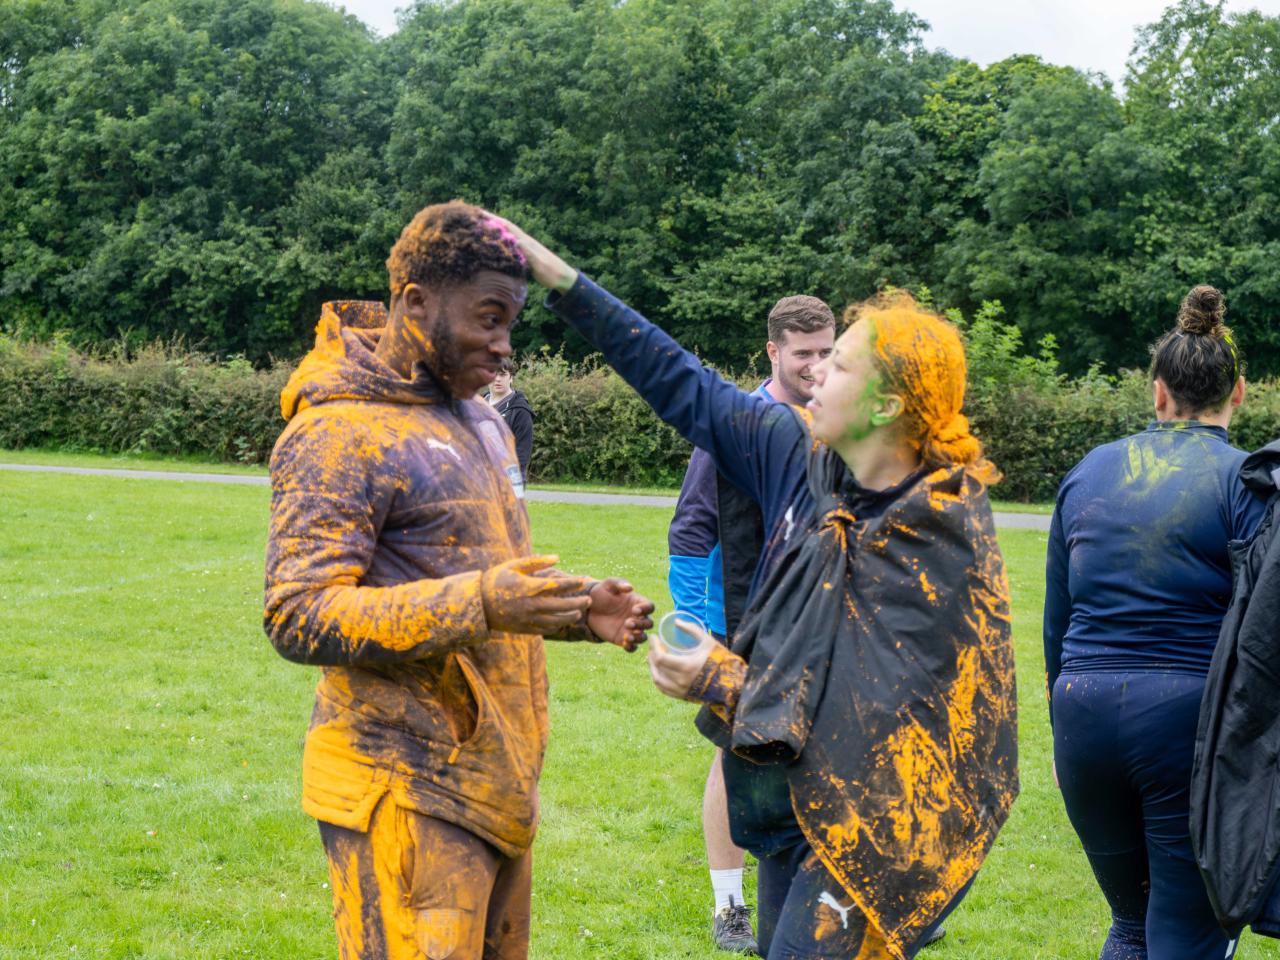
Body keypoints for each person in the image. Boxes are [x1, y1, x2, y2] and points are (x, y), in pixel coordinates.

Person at [497, 213, 1018, 960]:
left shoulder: (940, 533)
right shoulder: (798, 454)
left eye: (836, 366)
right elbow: (686, 386)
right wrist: (564, 281)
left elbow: (874, 714)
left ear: (887, 406)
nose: (813, 375)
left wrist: (719, 676)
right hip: (795, 797)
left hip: (891, 820)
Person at [263, 201, 654, 960]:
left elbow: (482, 581)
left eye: (511, 322)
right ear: (415, 302)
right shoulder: (338, 432)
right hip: (398, 783)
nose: (505, 347)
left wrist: (577, 610)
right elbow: (297, 612)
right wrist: (481, 602)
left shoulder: (484, 422)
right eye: (488, 319)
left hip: (496, 779)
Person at [1043, 285, 1267, 959]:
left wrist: (1061, 727)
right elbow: (1263, 625)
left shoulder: (1087, 471)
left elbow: (1057, 620)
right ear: (1241, 393)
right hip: (1184, 720)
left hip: (1081, 713)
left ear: (1158, 392)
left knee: (1133, 922)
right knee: (1188, 931)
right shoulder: (1245, 481)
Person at [667, 294, 835, 954]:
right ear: (772, 351)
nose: (816, 366)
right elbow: (691, 529)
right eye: (803, 355)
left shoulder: (835, 419)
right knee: (735, 755)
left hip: (813, 632)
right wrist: (700, 632)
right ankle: (730, 906)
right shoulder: (741, 422)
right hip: (739, 627)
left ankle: (819, 901)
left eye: (827, 353)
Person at [488, 356, 534, 481]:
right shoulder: (479, 405)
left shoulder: (520, 410)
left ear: (511, 378)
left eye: (502, 375)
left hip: (508, 481)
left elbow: (522, 453)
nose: (497, 379)